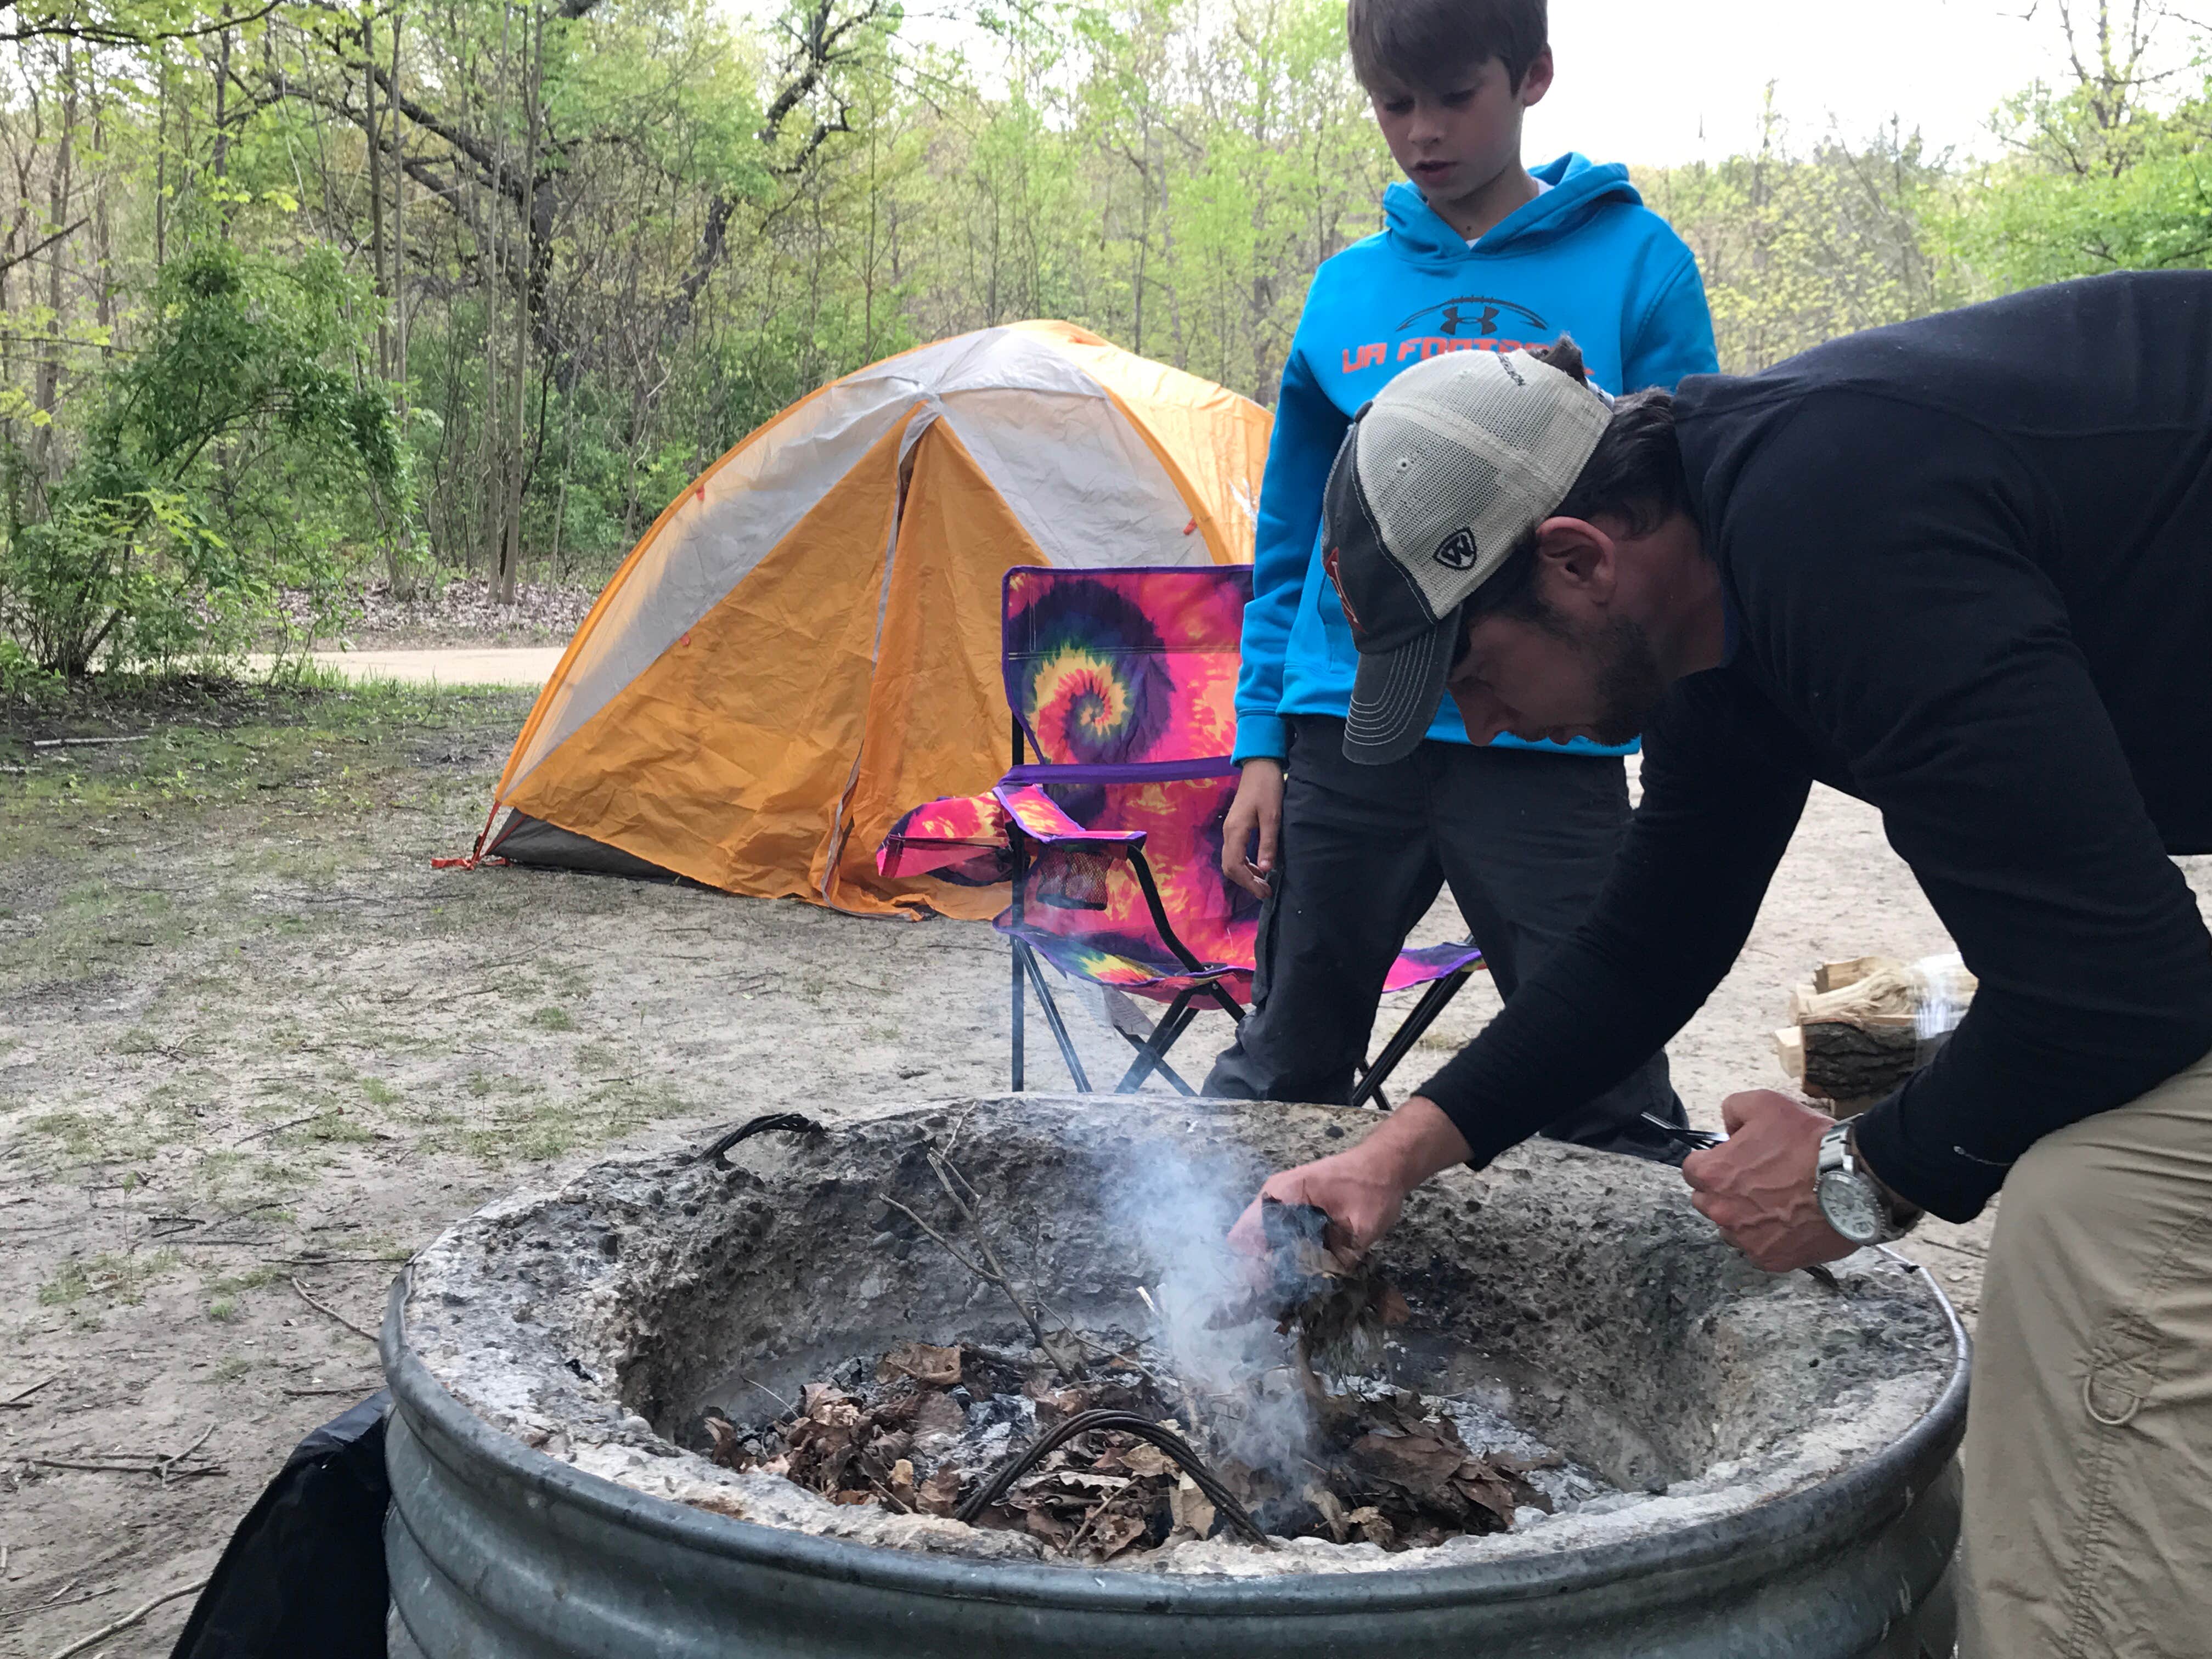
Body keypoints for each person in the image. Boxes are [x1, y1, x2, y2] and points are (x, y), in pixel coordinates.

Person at [1228, 272, 2212, 1656]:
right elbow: (1651, 941)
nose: (1482, 726)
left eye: (1469, 670)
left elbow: (2122, 991)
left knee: (2105, 1204)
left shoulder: (1841, 529)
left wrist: (1859, 1180)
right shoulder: (1721, 587)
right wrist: (1396, 1155)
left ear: (1574, 560)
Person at [1205, 0, 1709, 1161]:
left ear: (1531, 75)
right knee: (1286, 1060)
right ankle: (1230, 1298)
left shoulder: (1636, 265)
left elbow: (1687, 520)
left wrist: (1681, 722)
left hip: (1552, 737)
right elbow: (1291, 538)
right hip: (1352, 720)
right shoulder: (1346, 294)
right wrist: (1262, 745)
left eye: (1453, 96)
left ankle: (1644, 1318)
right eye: (1395, 104)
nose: (1422, 131)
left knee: (1606, 1076)